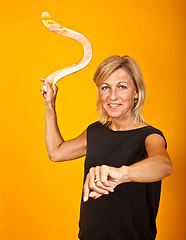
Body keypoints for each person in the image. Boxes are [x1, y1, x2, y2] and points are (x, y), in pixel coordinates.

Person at [41, 55, 173, 240]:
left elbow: (164, 165)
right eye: (105, 87)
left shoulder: (149, 136)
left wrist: (121, 174)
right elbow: (56, 152)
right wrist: (50, 106)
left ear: (136, 92)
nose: (112, 96)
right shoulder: (95, 131)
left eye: (122, 86)